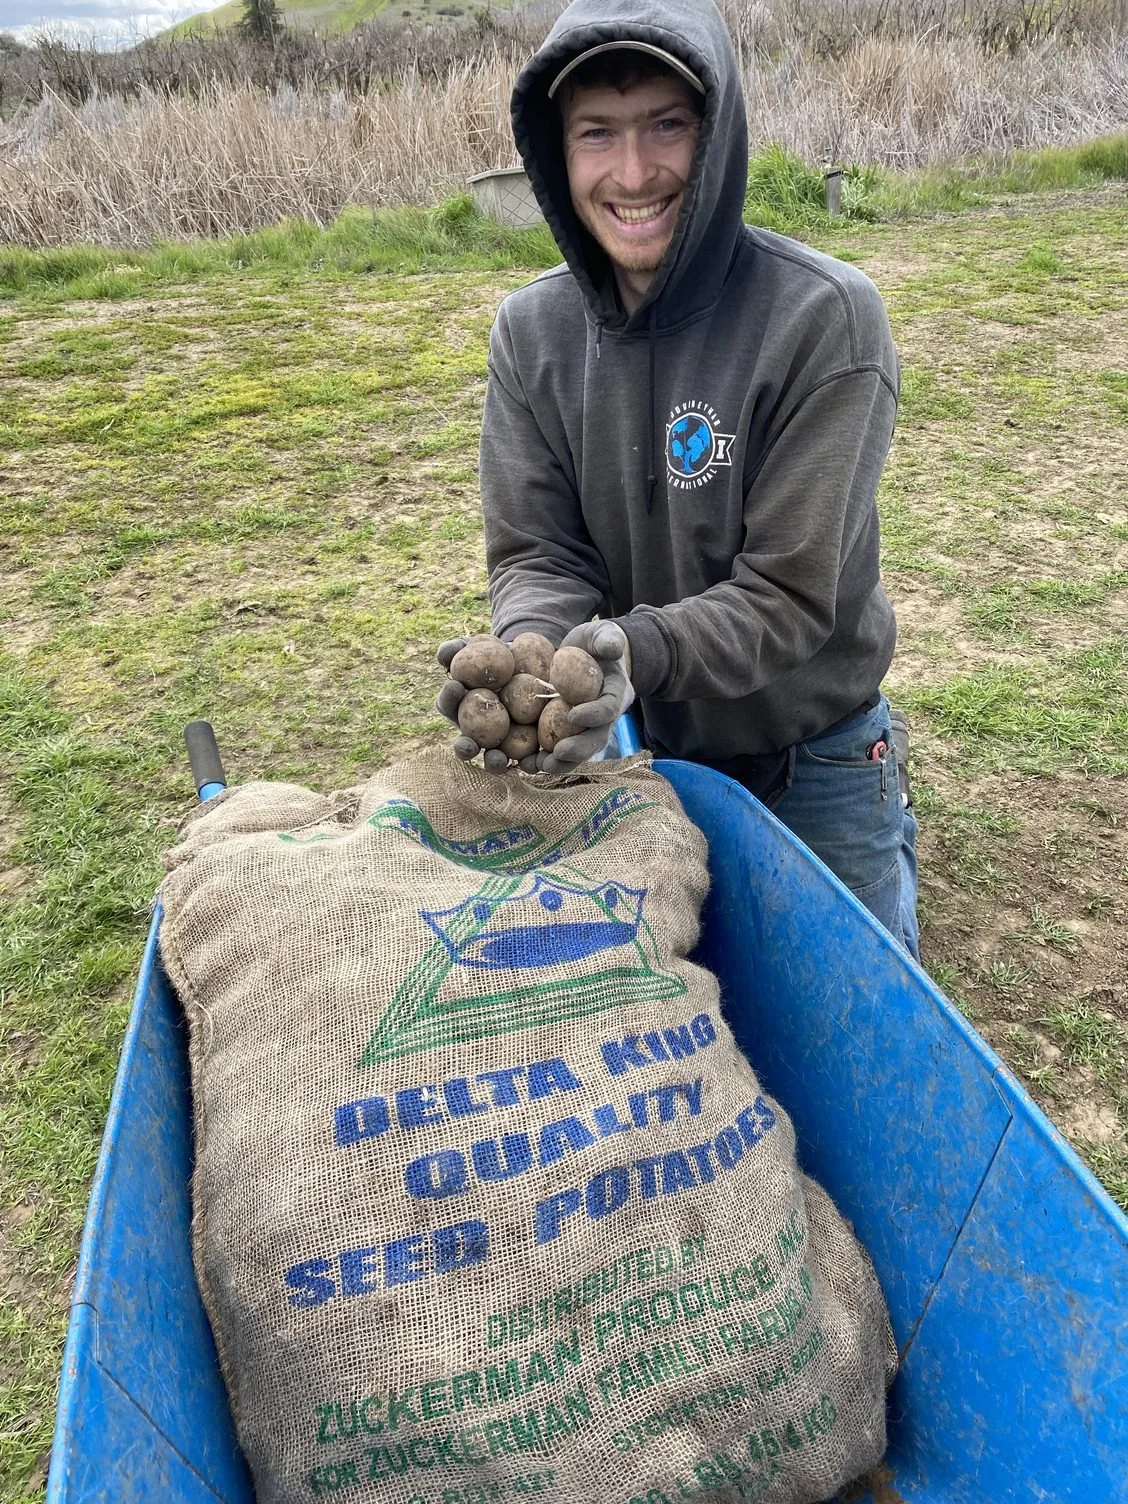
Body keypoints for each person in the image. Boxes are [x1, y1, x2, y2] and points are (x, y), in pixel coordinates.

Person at [439, 0, 919, 958]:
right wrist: (532, 664)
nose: (632, 173)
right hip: (643, 750)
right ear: (553, 150)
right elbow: (538, 549)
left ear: (721, 130)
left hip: (812, 754)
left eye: (668, 124)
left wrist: (628, 651)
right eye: (596, 134)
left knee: (848, 1022)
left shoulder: (824, 320)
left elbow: (785, 597)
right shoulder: (529, 334)